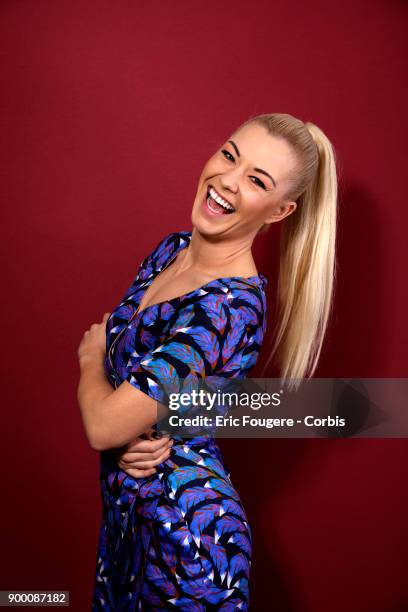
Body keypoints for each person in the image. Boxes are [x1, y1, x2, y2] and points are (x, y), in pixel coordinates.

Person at [77, 112, 338, 610]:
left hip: (189, 546)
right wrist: (138, 436)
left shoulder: (227, 309)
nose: (227, 182)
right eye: (229, 155)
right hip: (128, 524)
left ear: (280, 212)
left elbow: (103, 422)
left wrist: (90, 363)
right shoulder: (170, 252)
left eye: (256, 180)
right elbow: (137, 384)